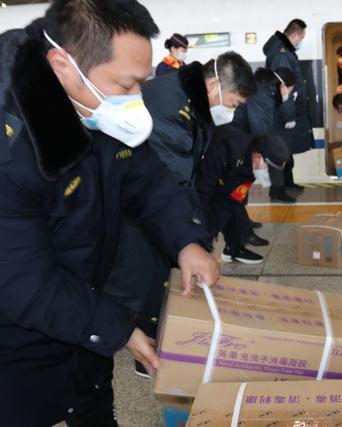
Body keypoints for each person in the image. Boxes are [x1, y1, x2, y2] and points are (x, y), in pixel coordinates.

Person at [0, 0, 219, 425]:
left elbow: (149, 183)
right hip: (17, 342)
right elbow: (26, 286)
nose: (136, 100)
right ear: (62, 66)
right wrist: (118, 329)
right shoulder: (11, 154)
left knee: (93, 408)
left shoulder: (95, 110)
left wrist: (187, 241)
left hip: (84, 315)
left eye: (142, 84)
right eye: (126, 84)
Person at [106, 51, 256, 379]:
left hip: (150, 200)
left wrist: (195, 231)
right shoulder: (171, 108)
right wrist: (191, 236)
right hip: (135, 208)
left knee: (165, 265)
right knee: (147, 273)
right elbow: (172, 178)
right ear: (214, 85)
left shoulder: (188, 98)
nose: (231, 112)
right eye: (232, 103)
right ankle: (147, 354)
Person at [197, 127, 289, 264]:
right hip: (198, 172)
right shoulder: (225, 147)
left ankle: (234, 250)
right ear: (257, 156)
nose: (266, 175)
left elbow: (233, 199)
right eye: (268, 170)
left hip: (222, 180)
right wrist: (203, 241)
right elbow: (202, 190)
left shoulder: (250, 167)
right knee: (204, 212)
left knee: (231, 205)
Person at [263, 18, 314, 194]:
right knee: (280, 151)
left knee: (286, 149)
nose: (301, 42)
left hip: (284, 110)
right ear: (295, 35)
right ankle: (277, 190)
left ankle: (287, 182)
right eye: (302, 37)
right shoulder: (281, 53)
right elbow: (284, 85)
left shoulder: (284, 51)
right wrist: (289, 115)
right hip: (282, 112)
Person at [234, 67, 297, 203]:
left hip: (247, 140)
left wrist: (285, 99)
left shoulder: (267, 91)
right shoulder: (262, 95)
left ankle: (238, 209)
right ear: (282, 86)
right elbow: (259, 125)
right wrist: (260, 152)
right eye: (289, 90)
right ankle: (235, 207)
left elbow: (284, 118)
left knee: (245, 177)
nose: (289, 94)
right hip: (242, 141)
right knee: (243, 177)